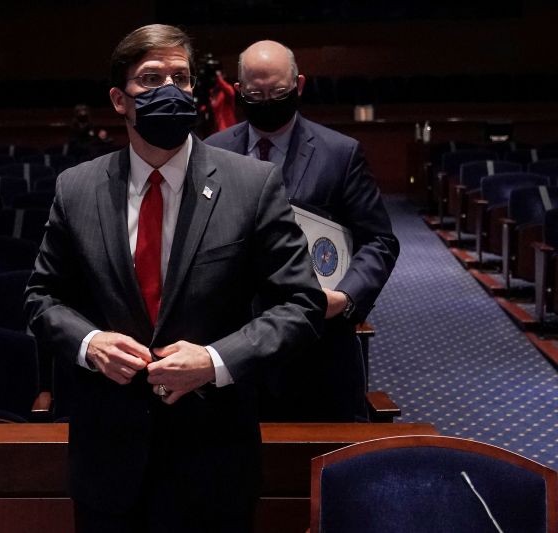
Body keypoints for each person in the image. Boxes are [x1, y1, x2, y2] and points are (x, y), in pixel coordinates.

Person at [24, 24, 325, 533]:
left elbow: (302, 303)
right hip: (110, 463)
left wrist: (214, 361)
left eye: (180, 77)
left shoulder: (250, 184)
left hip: (213, 459)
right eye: (151, 78)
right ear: (120, 100)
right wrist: (90, 343)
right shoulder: (77, 188)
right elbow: (41, 297)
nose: (169, 89)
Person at [206, 40, 400, 421]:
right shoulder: (211, 151)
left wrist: (346, 296)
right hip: (234, 341)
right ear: (238, 89)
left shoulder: (340, 153)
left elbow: (379, 241)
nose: (266, 101)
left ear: (299, 85)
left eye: (277, 92)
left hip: (318, 344)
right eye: (254, 93)